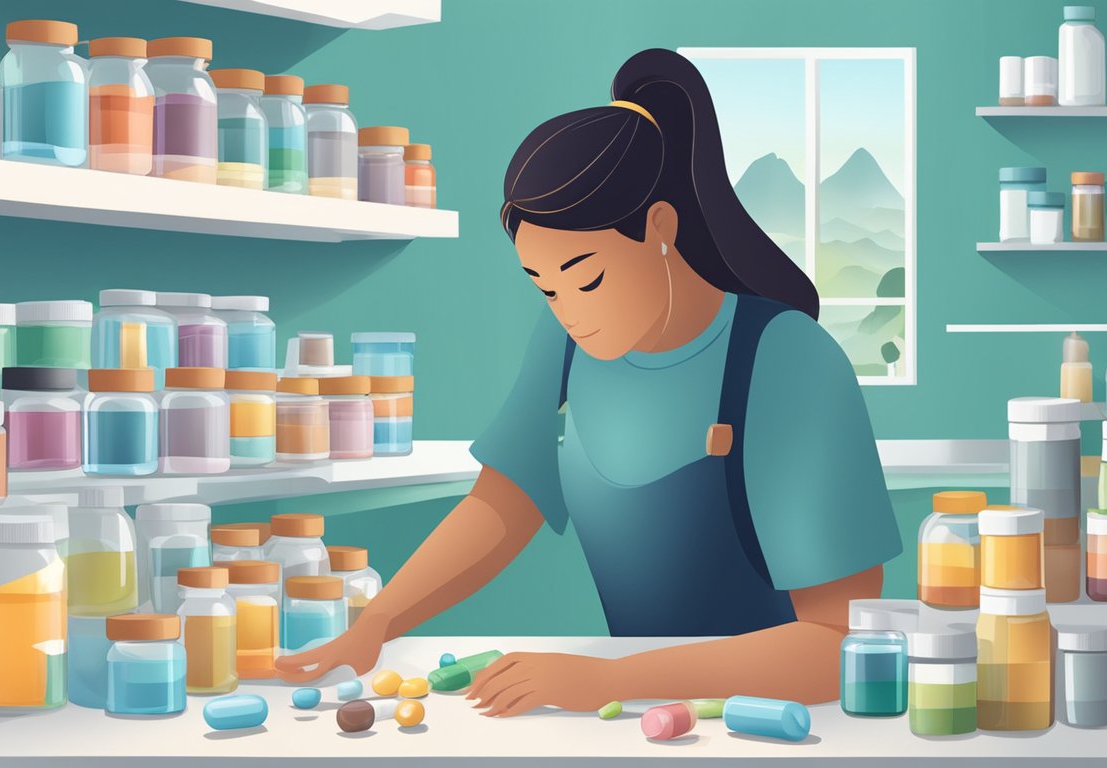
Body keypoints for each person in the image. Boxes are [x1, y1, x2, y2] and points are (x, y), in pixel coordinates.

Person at [278, 48, 900, 717]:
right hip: (646, 719)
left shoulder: (787, 358)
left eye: (589, 278)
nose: (572, 311)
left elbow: (837, 645)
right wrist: (379, 622)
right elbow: (505, 502)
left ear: (660, 227)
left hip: (777, 723)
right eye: (545, 288)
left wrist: (610, 681)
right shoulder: (568, 345)